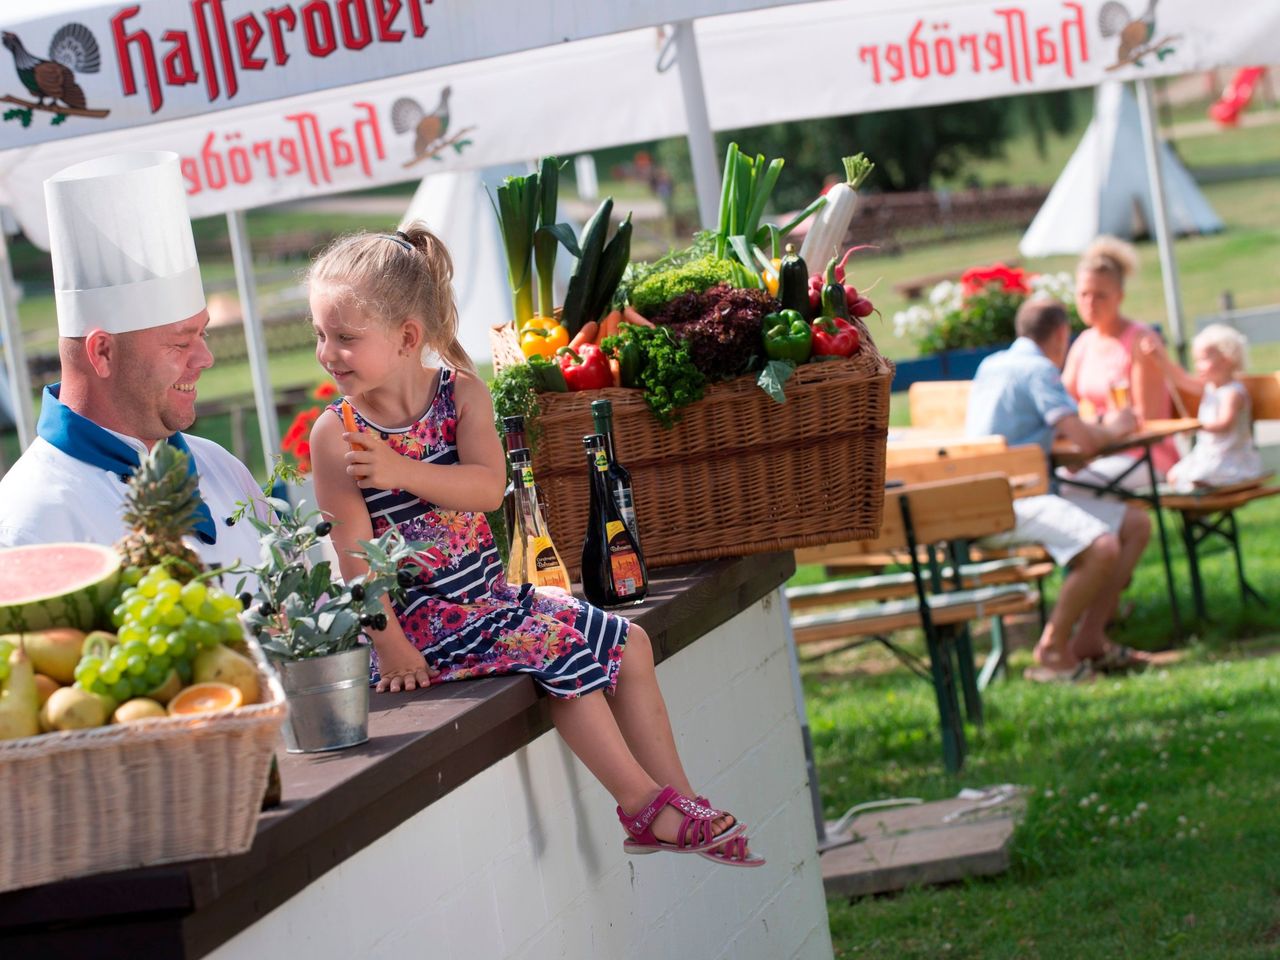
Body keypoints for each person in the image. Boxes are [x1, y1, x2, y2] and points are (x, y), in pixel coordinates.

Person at [306, 222, 763, 867]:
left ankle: (678, 799)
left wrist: (401, 471)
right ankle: (641, 807)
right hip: (423, 624)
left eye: (346, 337)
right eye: (321, 334)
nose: (328, 352)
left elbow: (490, 488)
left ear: (408, 337)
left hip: (488, 600)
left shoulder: (461, 394)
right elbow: (352, 553)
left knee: (628, 642)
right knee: (564, 657)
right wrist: (391, 645)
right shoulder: (338, 436)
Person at [0, 152, 264, 573]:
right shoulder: (24, 524)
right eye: (180, 344)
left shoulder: (222, 468)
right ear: (102, 351)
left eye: (203, 333)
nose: (206, 358)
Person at [965, 298, 1153, 680]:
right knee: (1102, 546)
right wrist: (1116, 427)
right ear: (1061, 335)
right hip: (1017, 497)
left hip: (988, 493)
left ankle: (1090, 638)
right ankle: (1052, 648)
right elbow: (1084, 442)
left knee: (1135, 524)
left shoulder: (993, 364)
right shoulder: (1039, 370)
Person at [1062, 236, 1179, 490]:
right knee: (1051, 481)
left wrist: (1095, 429)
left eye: (1100, 296)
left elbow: (1145, 419)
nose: (1090, 304)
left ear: (1120, 296)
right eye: (1084, 294)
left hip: (1144, 455)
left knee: (1073, 488)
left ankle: (1122, 529)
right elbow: (1061, 403)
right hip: (1098, 451)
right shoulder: (1084, 342)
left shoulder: (1141, 341)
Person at [1141, 324, 1265, 491]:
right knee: (1173, 476)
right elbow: (1181, 380)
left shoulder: (1232, 393)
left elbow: (1224, 424)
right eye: (1196, 360)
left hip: (1230, 460)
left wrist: (1196, 426)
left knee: (1197, 480)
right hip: (1207, 456)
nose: (1198, 366)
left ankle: (1199, 515)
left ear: (1226, 359)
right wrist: (1159, 358)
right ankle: (1194, 516)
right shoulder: (1209, 388)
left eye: (1204, 359)